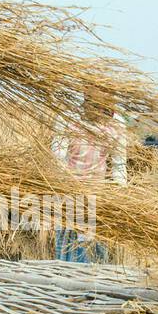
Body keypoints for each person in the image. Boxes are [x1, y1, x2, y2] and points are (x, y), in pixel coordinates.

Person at [51, 97, 126, 263]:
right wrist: (68, 188)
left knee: (95, 247)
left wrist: (120, 195)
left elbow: (119, 165)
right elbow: (58, 158)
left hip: (98, 195)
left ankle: (93, 284)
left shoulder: (117, 124)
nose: (105, 113)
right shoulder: (68, 118)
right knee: (67, 245)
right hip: (68, 192)